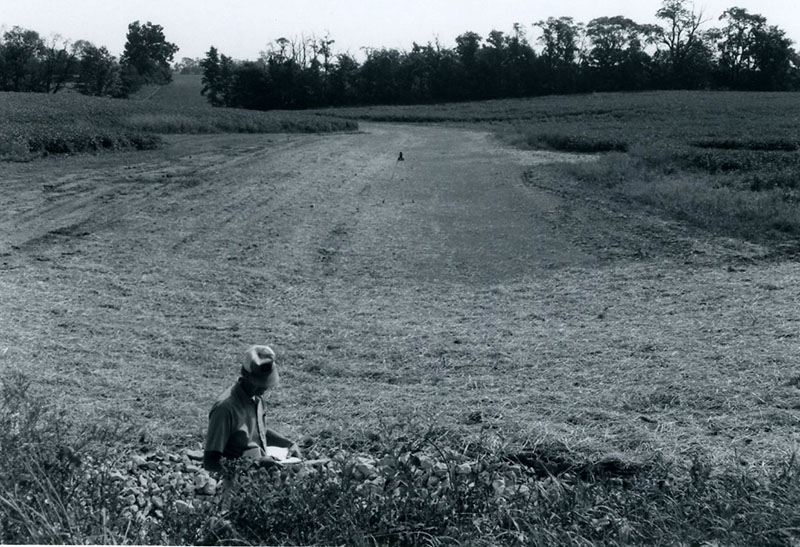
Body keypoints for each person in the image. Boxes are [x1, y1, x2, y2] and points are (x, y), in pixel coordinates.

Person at [203, 345, 302, 473]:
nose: (264, 388)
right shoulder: (225, 409)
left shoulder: (256, 398)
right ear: (246, 376)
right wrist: (253, 464)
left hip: (259, 479)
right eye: (259, 383)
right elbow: (210, 462)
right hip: (236, 484)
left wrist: (288, 444)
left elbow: (259, 433)